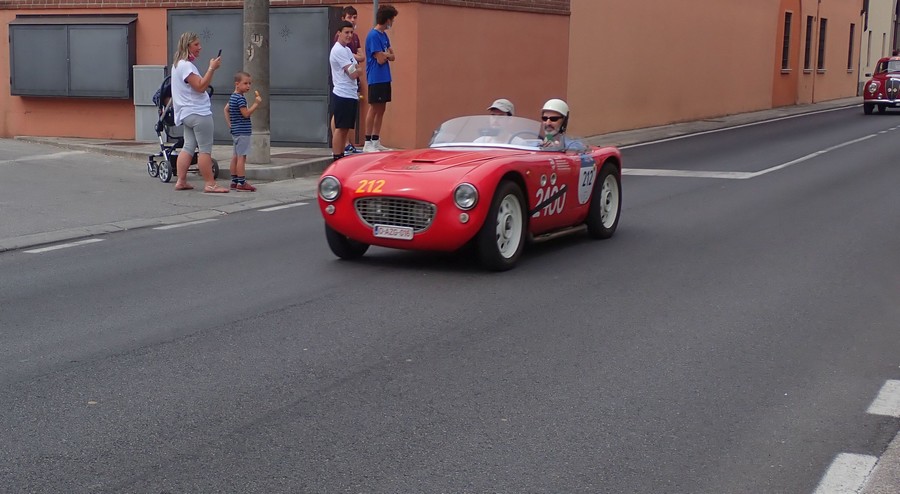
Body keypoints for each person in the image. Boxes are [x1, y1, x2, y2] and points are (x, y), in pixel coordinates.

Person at [170, 32, 227, 193]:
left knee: (188, 147)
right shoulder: (187, 66)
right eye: (196, 44)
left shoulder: (177, 65)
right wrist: (212, 68)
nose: (200, 48)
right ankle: (210, 184)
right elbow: (201, 86)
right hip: (198, 112)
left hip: (186, 113)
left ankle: (181, 180)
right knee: (205, 149)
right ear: (187, 45)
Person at [363, 4, 398, 153]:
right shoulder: (373, 36)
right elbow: (380, 59)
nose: (393, 22)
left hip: (385, 77)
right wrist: (386, 55)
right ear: (387, 19)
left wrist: (387, 55)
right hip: (375, 77)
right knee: (374, 108)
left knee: (382, 109)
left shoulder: (384, 36)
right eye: (392, 19)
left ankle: (376, 140)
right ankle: (367, 142)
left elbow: (392, 56)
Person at [332, 6, 365, 155]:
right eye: (346, 32)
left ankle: (341, 153)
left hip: (351, 93)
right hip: (342, 93)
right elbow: (353, 73)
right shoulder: (338, 50)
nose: (349, 35)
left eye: (351, 32)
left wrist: (357, 69)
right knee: (340, 129)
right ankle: (336, 156)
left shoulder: (346, 50)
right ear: (339, 33)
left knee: (346, 128)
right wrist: (357, 70)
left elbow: (357, 66)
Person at [224, 71, 262, 191]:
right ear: (237, 84)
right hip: (243, 131)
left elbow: (226, 109)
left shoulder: (233, 96)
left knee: (235, 156)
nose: (248, 86)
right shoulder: (240, 98)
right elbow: (246, 114)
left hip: (235, 130)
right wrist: (256, 104)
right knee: (241, 157)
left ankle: (234, 181)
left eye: (249, 83)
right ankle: (241, 182)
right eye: (245, 83)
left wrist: (230, 124)